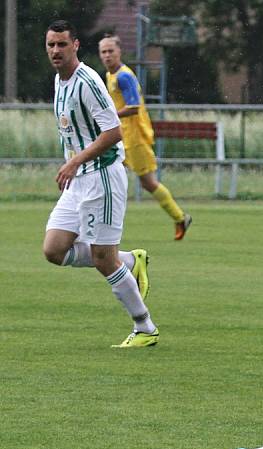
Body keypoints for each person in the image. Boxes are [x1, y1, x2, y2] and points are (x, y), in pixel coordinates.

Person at [43, 20, 158, 348]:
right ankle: (130, 261)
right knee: (54, 249)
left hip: (103, 176)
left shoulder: (89, 82)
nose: (55, 51)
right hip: (78, 179)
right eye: (51, 44)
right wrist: (70, 163)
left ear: (75, 45)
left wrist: (75, 160)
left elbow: (113, 132)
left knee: (102, 258)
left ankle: (145, 326)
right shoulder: (58, 81)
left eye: (62, 44)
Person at [98, 35, 192, 241]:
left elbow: (134, 107)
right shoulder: (110, 75)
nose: (107, 55)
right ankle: (99, 225)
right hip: (121, 138)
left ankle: (180, 217)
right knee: (105, 175)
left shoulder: (124, 76)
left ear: (119, 52)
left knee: (148, 183)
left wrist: (110, 114)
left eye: (110, 51)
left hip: (134, 138)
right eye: (103, 52)